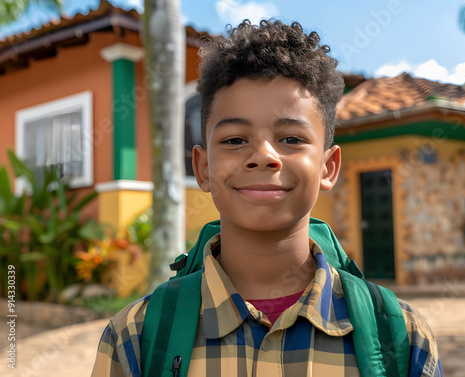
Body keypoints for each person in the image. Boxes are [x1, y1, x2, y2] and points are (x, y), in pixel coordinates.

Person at [91, 19, 442, 377]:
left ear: (328, 168)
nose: (263, 155)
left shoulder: (402, 338)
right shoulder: (135, 338)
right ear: (203, 168)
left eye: (291, 138)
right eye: (234, 140)